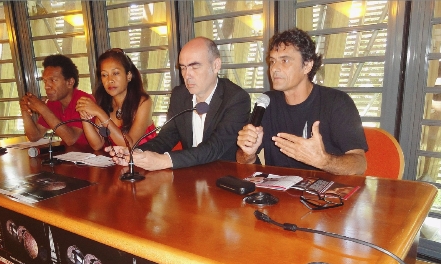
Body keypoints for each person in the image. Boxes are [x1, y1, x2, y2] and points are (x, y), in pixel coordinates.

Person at [106, 36, 251, 170]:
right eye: (183, 67)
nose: (187, 75)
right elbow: (166, 138)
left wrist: (164, 160)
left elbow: (214, 147)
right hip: (190, 175)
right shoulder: (179, 95)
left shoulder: (236, 98)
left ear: (216, 65)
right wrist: (135, 153)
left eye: (195, 67)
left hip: (224, 175)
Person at [236, 28, 367, 175]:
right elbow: (242, 160)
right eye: (272, 61)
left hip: (326, 188)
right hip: (279, 188)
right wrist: (248, 153)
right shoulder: (267, 102)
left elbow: (359, 164)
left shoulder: (337, 102)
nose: (274, 68)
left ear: (307, 66)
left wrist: (324, 161)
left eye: (285, 61)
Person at [75, 48, 156, 151]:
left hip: (147, 159)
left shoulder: (143, 102)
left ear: (128, 76)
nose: (110, 80)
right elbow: (97, 144)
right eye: (104, 75)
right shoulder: (105, 103)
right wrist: (84, 117)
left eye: (116, 73)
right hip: (119, 160)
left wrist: (100, 113)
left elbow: (130, 145)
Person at [19, 54, 94, 146]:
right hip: (68, 153)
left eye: (53, 80)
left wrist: (42, 108)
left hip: (91, 153)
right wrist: (25, 110)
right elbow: (34, 136)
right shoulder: (54, 102)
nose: (46, 86)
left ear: (70, 82)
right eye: (45, 81)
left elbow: (71, 139)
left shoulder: (84, 101)